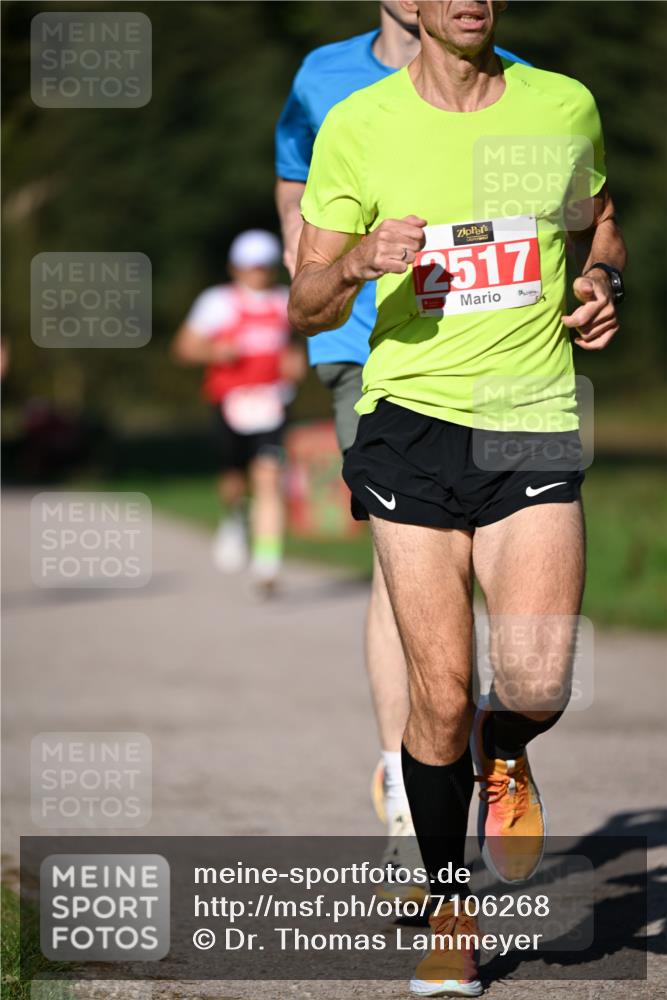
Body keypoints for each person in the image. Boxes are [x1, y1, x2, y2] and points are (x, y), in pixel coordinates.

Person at [289, 0, 626, 995]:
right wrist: (356, 261)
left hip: (528, 413)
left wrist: (603, 282)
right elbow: (305, 299)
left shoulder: (561, 105)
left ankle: (504, 744)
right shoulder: (360, 124)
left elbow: (598, 223)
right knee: (436, 695)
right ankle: (449, 911)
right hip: (409, 423)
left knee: (536, 680)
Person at [275, 0, 529, 881]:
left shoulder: (510, 78)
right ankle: (405, 778)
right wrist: (323, 272)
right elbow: (295, 188)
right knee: (406, 566)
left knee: (499, 581)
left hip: (486, 358)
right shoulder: (324, 77)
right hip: (363, 348)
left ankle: (483, 733)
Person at [173, 229, 305, 595]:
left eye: (263, 266)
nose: (257, 273)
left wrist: (295, 363)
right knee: (233, 479)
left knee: (268, 476)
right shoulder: (217, 302)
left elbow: (295, 346)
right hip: (229, 403)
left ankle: (267, 565)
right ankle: (233, 518)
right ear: (235, 268)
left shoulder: (284, 300)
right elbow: (183, 348)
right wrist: (216, 352)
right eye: (250, 266)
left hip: (272, 403)